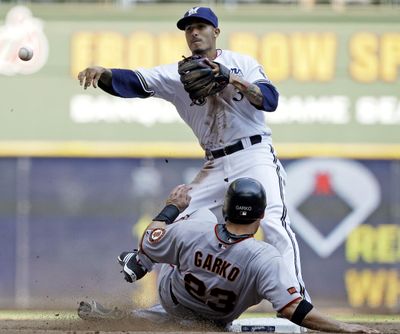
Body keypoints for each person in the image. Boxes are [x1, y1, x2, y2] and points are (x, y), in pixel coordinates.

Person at [77, 6, 307, 298]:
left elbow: (270, 100)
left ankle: (296, 302)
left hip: (254, 153)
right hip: (215, 163)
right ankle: (142, 260)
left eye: (201, 26)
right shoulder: (176, 74)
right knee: (185, 219)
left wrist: (230, 78)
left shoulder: (241, 62)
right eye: (189, 28)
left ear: (216, 32)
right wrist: (105, 73)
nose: (194, 32)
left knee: (274, 222)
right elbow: (135, 81)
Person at [79, 178, 378, 334]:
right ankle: (148, 284)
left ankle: (139, 263)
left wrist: (172, 207)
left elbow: (151, 235)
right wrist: (345, 327)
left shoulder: (194, 230)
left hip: (175, 299)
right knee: (202, 303)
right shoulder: (265, 258)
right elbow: (293, 310)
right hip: (216, 319)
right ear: (260, 217)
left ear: (226, 209)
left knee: (192, 214)